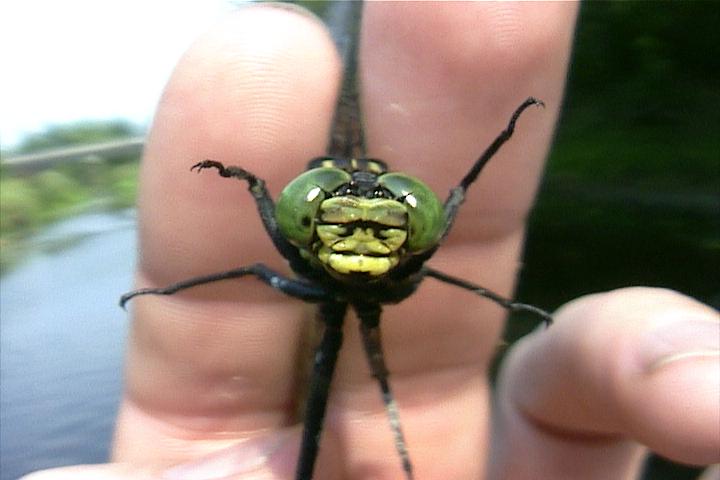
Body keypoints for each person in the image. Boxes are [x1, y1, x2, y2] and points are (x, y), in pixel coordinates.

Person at [23, 3, 719, 479]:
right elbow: (449, 217)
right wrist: (249, 184)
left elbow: (429, 224)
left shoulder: (344, 246)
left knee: (345, 350)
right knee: (360, 373)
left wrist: (252, 184)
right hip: (374, 290)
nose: (362, 218)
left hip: (345, 289)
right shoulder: (413, 254)